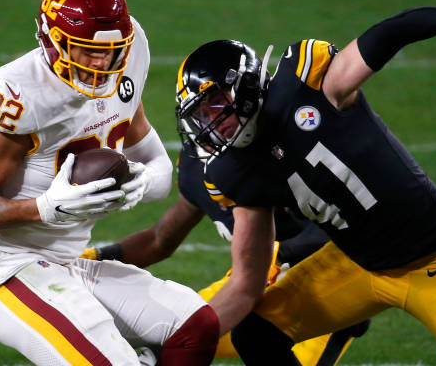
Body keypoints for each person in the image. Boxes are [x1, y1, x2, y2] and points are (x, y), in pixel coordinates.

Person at [174, 0, 436, 365]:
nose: (212, 121)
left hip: (435, 256)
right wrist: (182, 341)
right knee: (255, 334)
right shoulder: (233, 171)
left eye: (215, 104)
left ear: (243, 84)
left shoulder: (307, 84)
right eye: (201, 114)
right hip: (357, 264)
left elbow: (387, 35)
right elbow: (245, 285)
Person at [0, 0, 219, 366]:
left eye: (111, 50)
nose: (102, 62)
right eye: (86, 50)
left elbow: (153, 159)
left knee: (196, 326)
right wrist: (43, 208)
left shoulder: (130, 50)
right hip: (7, 269)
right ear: (52, 41)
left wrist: (146, 180)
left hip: (70, 262)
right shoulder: (19, 92)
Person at [82, 142, 371, 366]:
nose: (213, 122)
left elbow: (348, 221)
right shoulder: (198, 165)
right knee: (170, 340)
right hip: (247, 287)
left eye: (221, 107)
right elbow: (160, 239)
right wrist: (93, 256)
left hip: (317, 290)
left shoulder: (281, 151)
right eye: (204, 111)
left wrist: (282, 253)